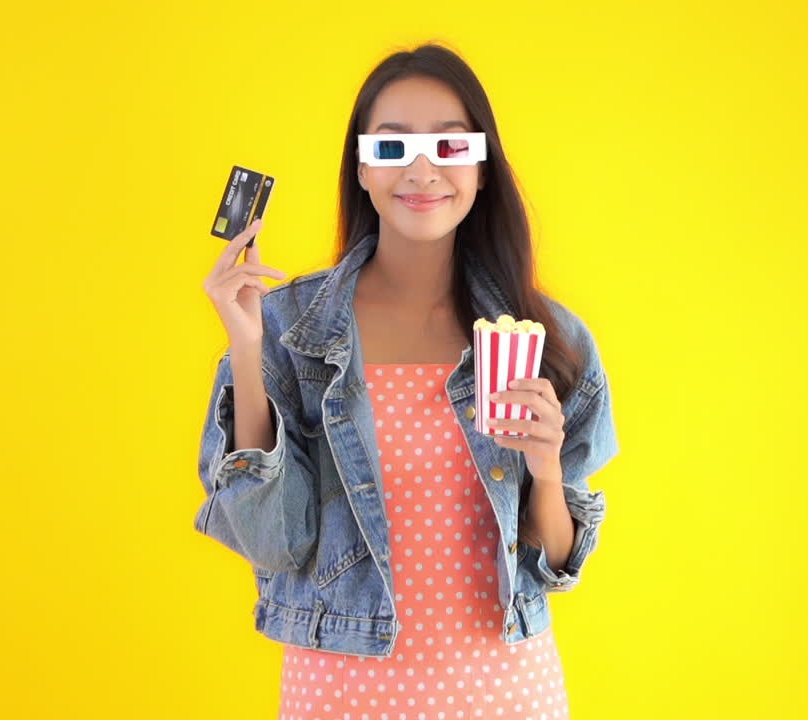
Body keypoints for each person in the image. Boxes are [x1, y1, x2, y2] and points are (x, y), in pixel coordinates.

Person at [196, 42, 619, 720]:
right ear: (361, 169)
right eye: (392, 150)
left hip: (505, 693)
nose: (422, 171)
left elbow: (556, 565)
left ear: (482, 170)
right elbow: (273, 541)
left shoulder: (550, 339)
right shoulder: (287, 328)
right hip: (339, 696)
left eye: (450, 149)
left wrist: (544, 465)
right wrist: (246, 351)